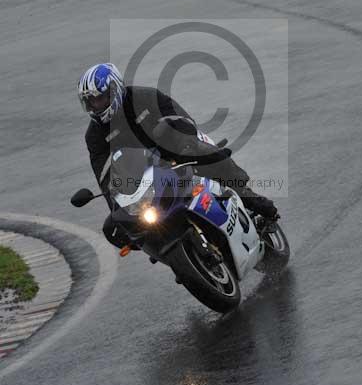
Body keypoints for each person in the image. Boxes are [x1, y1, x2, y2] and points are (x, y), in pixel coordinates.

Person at [77, 63, 279, 249]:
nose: (96, 105)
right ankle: (165, 248)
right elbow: (104, 175)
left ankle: (251, 199)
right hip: (145, 174)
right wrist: (115, 205)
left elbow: (183, 119)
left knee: (205, 155)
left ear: (114, 89)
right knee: (114, 227)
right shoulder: (94, 135)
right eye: (90, 102)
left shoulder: (145, 97)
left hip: (177, 149)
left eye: (99, 98)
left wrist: (182, 140)